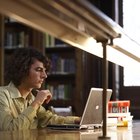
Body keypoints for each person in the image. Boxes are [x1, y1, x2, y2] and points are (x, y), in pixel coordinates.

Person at [0, 47, 80, 131]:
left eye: (45, 71)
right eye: (39, 70)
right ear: (22, 70)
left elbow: (48, 119)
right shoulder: (2, 95)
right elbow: (9, 130)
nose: (44, 76)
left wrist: (77, 120)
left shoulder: (31, 98)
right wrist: (37, 102)